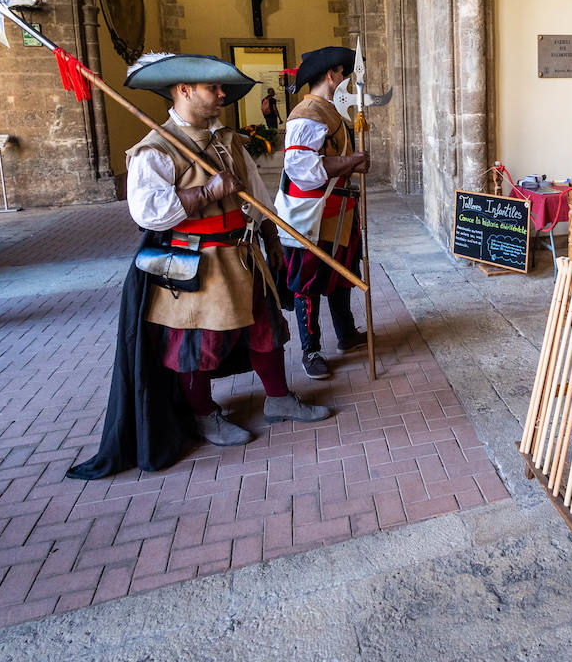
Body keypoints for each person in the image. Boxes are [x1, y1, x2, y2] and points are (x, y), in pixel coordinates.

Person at [68, 53, 330, 480]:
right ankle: (203, 414)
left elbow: (259, 198)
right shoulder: (154, 149)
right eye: (214, 88)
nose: (222, 95)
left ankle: (279, 399)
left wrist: (269, 238)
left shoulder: (228, 141)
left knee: (265, 329)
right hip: (196, 263)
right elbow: (148, 213)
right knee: (198, 346)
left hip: (243, 255)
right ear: (184, 90)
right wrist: (206, 192)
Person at [274, 46, 369, 381]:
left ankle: (345, 334)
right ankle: (310, 350)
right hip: (312, 215)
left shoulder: (329, 110)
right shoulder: (307, 113)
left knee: (340, 273)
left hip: (338, 211)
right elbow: (301, 167)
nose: (345, 80)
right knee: (309, 282)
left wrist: (353, 161)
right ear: (331, 76)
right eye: (343, 75)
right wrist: (352, 160)